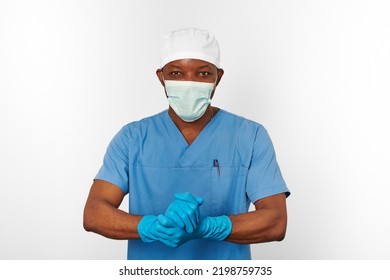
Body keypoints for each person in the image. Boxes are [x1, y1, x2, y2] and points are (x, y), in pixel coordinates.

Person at [83, 27, 290, 260]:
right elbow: (93, 213)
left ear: (218, 77)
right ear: (161, 77)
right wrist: (150, 227)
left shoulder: (250, 136)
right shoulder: (132, 138)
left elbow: (276, 221)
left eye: (202, 74)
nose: (189, 83)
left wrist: (208, 227)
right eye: (176, 74)